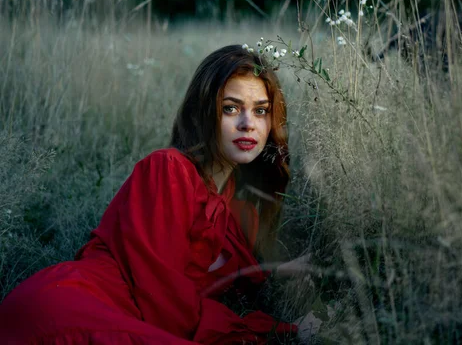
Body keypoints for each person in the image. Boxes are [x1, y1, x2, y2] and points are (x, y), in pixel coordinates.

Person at [0, 44, 307, 344]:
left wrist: (281, 271)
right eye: (230, 108)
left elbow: (239, 275)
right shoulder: (168, 169)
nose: (247, 124)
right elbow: (164, 302)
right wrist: (274, 330)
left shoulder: (235, 206)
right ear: (204, 114)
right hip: (70, 307)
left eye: (260, 111)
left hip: (122, 319)